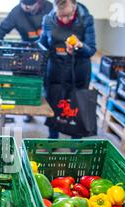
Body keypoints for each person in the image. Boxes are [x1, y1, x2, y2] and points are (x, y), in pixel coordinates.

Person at [39, 0, 96, 139]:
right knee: (53, 104)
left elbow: (91, 50)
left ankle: (76, 141)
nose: (65, 19)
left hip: (78, 71)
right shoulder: (47, 20)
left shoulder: (86, 20)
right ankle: (52, 139)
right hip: (55, 71)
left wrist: (79, 45)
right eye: (60, 16)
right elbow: (42, 43)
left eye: (69, 15)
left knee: (77, 107)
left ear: (75, 7)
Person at [0, 0, 53, 123]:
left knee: (49, 82)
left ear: (39, 3)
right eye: (24, 5)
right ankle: (28, 112)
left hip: (49, 50)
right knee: (28, 82)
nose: (26, 8)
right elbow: (1, 30)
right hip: (28, 51)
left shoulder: (50, 8)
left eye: (30, 6)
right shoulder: (16, 12)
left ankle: (51, 115)